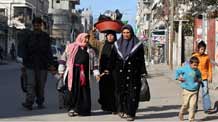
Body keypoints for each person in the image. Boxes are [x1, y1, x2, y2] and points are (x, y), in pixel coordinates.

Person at [107, 24, 148, 121]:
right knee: (120, 92)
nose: (126, 34)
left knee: (132, 93)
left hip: (134, 73)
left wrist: (143, 72)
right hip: (120, 73)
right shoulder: (117, 44)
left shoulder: (138, 44)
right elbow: (112, 58)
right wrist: (108, 69)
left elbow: (141, 59)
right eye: (124, 33)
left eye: (128, 32)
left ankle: (131, 113)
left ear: (131, 33)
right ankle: (122, 109)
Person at [20, 17, 55, 110]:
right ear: (33, 25)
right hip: (30, 65)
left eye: (38, 24)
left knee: (41, 85)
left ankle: (40, 102)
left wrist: (51, 64)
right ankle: (29, 102)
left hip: (42, 65)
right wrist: (23, 64)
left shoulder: (45, 36)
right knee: (31, 84)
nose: (36, 26)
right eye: (35, 24)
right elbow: (24, 50)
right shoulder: (28, 36)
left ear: (41, 25)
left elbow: (49, 51)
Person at [58, 33, 91, 117]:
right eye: (85, 38)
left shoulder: (89, 49)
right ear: (80, 38)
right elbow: (63, 58)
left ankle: (82, 109)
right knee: (72, 90)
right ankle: (71, 108)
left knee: (83, 91)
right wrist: (61, 69)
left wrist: (96, 72)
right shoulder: (71, 47)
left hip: (84, 74)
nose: (86, 40)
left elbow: (94, 61)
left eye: (87, 38)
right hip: (73, 73)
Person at [89, 29, 117, 114]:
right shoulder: (102, 44)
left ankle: (114, 108)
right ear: (106, 36)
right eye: (108, 35)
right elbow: (92, 41)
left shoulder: (118, 45)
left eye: (112, 35)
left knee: (113, 89)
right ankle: (106, 106)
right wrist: (92, 32)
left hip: (113, 70)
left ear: (115, 37)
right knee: (103, 89)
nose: (110, 37)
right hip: (103, 71)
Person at [175, 56, 202, 122]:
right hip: (186, 90)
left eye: (197, 65)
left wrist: (198, 80)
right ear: (190, 64)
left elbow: (200, 78)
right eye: (194, 65)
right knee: (185, 105)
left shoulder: (197, 71)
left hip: (194, 91)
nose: (196, 67)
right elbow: (177, 71)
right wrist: (178, 78)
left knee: (193, 106)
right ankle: (181, 113)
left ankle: (191, 119)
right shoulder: (185, 68)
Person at [192, 41, 213, 113]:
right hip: (196, 78)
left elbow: (209, 67)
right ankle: (194, 107)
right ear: (198, 49)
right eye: (201, 49)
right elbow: (190, 66)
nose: (202, 51)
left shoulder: (206, 57)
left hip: (204, 77)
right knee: (195, 93)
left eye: (204, 49)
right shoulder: (194, 56)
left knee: (205, 92)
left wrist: (210, 77)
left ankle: (207, 108)